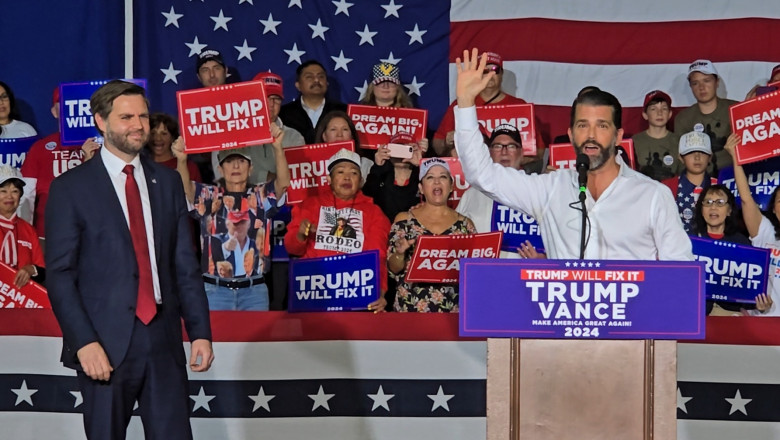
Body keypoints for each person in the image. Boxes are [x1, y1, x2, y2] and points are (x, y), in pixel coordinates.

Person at [45, 80, 213, 439]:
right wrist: (84, 342)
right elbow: (60, 275)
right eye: (126, 117)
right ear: (101, 121)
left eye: (143, 116)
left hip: (165, 342)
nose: (138, 125)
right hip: (103, 344)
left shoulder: (168, 183)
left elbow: (185, 265)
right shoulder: (70, 188)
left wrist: (199, 332)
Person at [453, 49, 692, 260]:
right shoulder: (550, 189)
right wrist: (465, 102)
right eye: (582, 125)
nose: (590, 134)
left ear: (619, 137)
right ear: (570, 134)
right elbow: (481, 174)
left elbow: (681, 273)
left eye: (601, 125)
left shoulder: (652, 196)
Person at [173, 123, 289, 312]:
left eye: (242, 161)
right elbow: (183, 188)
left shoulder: (260, 196)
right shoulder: (209, 196)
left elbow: (283, 183)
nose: (236, 166)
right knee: (216, 342)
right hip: (214, 290)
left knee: (255, 341)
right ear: (220, 168)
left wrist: (278, 148)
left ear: (250, 168)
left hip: (254, 292)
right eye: (229, 161)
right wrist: (181, 160)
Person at [284, 148, 390, 312]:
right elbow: (292, 248)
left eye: (354, 173)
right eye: (340, 172)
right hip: (315, 293)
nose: (347, 177)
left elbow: (379, 257)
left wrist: (380, 293)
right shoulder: (310, 206)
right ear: (329, 179)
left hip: (355, 295)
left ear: (361, 180)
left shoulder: (374, 213)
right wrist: (300, 234)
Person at [388, 158, 477, 312]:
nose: (437, 182)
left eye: (443, 177)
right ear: (421, 188)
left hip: (454, 313)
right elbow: (393, 268)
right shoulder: (404, 220)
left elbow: (475, 274)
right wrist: (400, 253)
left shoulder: (465, 226)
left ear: (451, 186)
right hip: (409, 312)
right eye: (430, 177)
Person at [433, 51, 546, 171]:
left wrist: (508, 159)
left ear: (501, 74)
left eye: (494, 69)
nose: (490, 74)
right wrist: (446, 142)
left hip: (513, 175)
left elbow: (539, 151)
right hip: (471, 175)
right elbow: (438, 147)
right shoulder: (462, 104)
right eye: (484, 71)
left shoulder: (519, 105)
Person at [457, 123, 543, 259]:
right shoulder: (473, 194)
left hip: (526, 276)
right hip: (485, 276)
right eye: (497, 146)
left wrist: (546, 259)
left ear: (522, 154)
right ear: (489, 153)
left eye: (511, 146)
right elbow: (456, 238)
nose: (504, 152)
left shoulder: (539, 191)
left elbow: (561, 239)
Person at [20, 87, 92, 239]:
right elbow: (26, 195)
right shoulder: (40, 148)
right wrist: (24, 237)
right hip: (46, 235)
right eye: (63, 104)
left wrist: (91, 161)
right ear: (54, 111)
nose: (69, 110)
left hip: (89, 235)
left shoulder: (101, 147)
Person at [690, 184, 769, 316]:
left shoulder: (742, 244)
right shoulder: (687, 242)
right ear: (701, 209)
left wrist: (760, 304)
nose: (713, 207)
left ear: (729, 210)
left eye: (720, 202)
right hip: (695, 313)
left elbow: (749, 292)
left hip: (731, 315)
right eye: (708, 202)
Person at [213, 72, 305, 183]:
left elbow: (298, 177)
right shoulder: (232, 134)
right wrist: (266, 177)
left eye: (276, 99)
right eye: (266, 97)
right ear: (252, 99)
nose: (271, 104)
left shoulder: (294, 136)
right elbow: (222, 175)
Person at [725, 134, 780, 316]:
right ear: (773, 208)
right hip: (764, 321)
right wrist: (736, 157)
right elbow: (747, 199)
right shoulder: (765, 229)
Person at [674, 59, 738, 174]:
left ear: (717, 82)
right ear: (690, 86)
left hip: (735, 177)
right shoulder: (683, 119)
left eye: (706, 81)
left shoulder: (736, 109)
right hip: (701, 181)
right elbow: (681, 160)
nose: (701, 87)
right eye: (695, 83)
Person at [661, 129, 718, 233]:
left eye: (702, 152)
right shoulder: (667, 187)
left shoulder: (719, 185)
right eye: (690, 153)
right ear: (681, 158)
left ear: (710, 157)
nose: (697, 157)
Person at [279, 60, 347, 144]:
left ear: (327, 83)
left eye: (321, 76)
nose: (316, 80)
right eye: (309, 77)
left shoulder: (344, 111)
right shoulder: (283, 114)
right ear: (298, 85)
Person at [362, 130, 423, 222]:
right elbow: (366, 197)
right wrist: (377, 166)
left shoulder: (421, 176)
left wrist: (421, 166)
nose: (401, 154)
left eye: (406, 149)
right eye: (397, 149)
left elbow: (432, 201)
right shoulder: (381, 174)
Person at [0, 166, 44, 287]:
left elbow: (42, 270)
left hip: (21, 298)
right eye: (3, 191)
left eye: (15, 191)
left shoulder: (28, 230)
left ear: (20, 197)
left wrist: (30, 269)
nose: (9, 196)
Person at [632, 90, 682, 181]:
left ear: (670, 114)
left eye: (664, 108)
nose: (659, 113)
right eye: (653, 109)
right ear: (645, 115)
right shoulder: (635, 141)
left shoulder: (680, 142)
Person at [314, 110, 373, 178]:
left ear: (352, 135)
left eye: (345, 129)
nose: (339, 134)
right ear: (324, 136)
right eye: (333, 129)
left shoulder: (365, 164)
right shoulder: (313, 166)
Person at [147, 113, 201, 181]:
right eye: (153, 133)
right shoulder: (140, 165)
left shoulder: (189, 167)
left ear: (172, 138)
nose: (158, 138)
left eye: (164, 134)